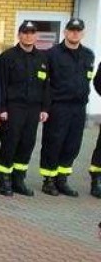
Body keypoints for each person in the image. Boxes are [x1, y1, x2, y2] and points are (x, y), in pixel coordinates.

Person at [40, 18, 94, 196]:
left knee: (73, 145)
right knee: (53, 143)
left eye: (78, 31)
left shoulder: (88, 55)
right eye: (71, 30)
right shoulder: (52, 54)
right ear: (65, 32)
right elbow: (46, 84)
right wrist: (45, 108)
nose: (75, 33)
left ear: (83, 33)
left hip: (78, 108)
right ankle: (48, 180)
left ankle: (62, 179)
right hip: (58, 106)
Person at [0, 21, 50, 196]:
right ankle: (5, 180)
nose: (28, 36)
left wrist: (45, 108)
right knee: (10, 143)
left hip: (33, 110)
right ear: (19, 35)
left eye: (32, 33)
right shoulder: (7, 57)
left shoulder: (42, 58)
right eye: (25, 32)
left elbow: (46, 86)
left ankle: (19, 179)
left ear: (36, 36)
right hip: (13, 108)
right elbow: (0, 84)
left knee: (27, 144)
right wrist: (2, 107)